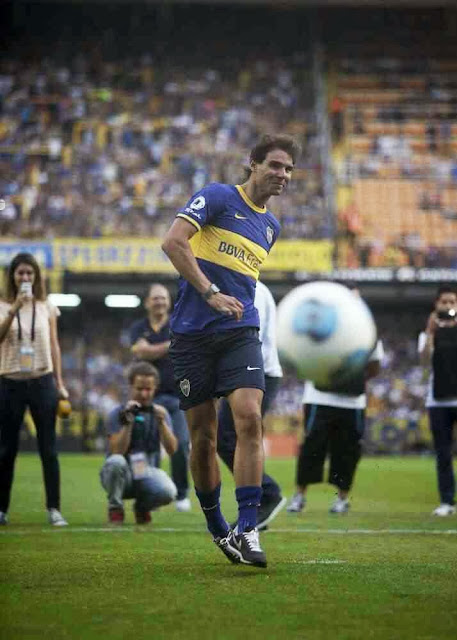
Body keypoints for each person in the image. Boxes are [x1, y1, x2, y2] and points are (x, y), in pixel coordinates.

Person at [162, 134, 300, 568]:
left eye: (289, 169)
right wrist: (209, 292)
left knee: (249, 418)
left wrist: (226, 300)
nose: (283, 174)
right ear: (253, 164)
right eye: (275, 165)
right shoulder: (218, 197)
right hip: (192, 335)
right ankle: (218, 527)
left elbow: (241, 280)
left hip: (240, 331)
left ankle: (248, 528)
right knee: (203, 438)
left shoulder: (271, 227)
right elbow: (173, 243)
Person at [287, 286, 384, 515]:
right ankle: (299, 496)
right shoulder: (319, 326)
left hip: (352, 402)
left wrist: (350, 379)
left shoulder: (368, 331)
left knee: (347, 452)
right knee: (311, 448)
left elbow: (375, 365)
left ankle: (341, 499)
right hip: (319, 398)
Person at [0, 252, 69, 526]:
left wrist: (60, 383)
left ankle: (54, 508)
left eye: (30, 273)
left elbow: (54, 345)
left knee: (48, 449)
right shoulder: (3, 304)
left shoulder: (46, 305)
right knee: (6, 449)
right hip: (10, 381)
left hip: (42, 380)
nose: (25, 277)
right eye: (21, 273)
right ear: (12, 276)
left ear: (37, 276)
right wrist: (15, 307)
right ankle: (1, 509)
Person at [217, 280, 286, 531]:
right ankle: (257, 502)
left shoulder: (252, 289)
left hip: (257, 372)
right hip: (248, 372)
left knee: (230, 438)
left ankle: (266, 495)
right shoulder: (245, 286)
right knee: (230, 439)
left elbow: (249, 336)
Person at [129, 283, 191, 512]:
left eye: (163, 298)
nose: (160, 302)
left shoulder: (178, 322)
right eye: (155, 298)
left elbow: (148, 351)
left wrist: (151, 349)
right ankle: (147, 493)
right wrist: (170, 344)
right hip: (145, 398)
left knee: (181, 444)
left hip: (177, 397)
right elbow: (140, 351)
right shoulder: (138, 327)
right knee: (142, 446)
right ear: (147, 302)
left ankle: (181, 494)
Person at [100, 361, 178, 525]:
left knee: (169, 491)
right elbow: (116, 452)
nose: (144, 394)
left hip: (144, 470)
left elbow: (172, 450)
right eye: (139, 388)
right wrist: (128, 423)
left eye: (148, 389)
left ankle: (142, 507)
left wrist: (162, 423)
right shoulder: (117, 413)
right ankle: (115, 508)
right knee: (116, 462)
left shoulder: (160, 413)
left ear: (155, 388)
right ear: (130, 387)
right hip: (119, 474)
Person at [418, 286, 457, 517]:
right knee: (443, 454)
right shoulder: (428, 333)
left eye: (453, 302)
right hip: (438, 402)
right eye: (444, 302)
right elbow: (424, 363)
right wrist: (430, 332)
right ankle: (447, 502)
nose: (449, 306)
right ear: (436, 305)